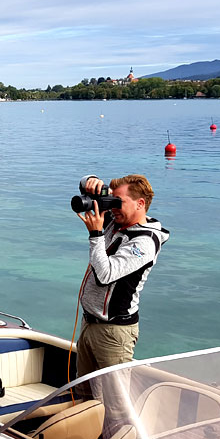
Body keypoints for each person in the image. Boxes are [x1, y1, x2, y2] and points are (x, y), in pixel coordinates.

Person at [75, 174, 169, 425]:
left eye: (119, 202)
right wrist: (91, 181)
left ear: (140, 203)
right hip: (90, 323)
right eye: (111, 201)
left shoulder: (145, 242)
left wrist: (95, 234)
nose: (112, 208)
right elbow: (84, 186)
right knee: (85, 396)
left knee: (115, 406)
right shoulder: (115, 224)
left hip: (114, 332)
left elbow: (105, 275)